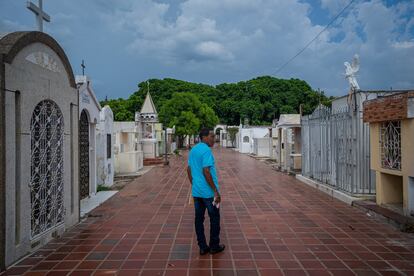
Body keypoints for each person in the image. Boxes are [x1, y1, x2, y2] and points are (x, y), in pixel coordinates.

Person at [187, 128, 225, 255]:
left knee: (199, 219)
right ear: (204, 137)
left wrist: (194, 184)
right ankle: (214, 246)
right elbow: (206, 171)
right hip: (209, 194)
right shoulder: (206, 150)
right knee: (214, 218)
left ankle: (202, 247)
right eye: (212, 136)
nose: (214, 139)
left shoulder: (193, 150)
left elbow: (188, 169)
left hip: (197, 192)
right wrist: (215, 191)